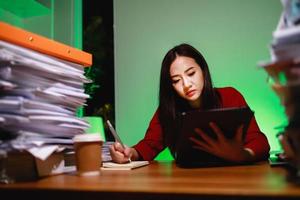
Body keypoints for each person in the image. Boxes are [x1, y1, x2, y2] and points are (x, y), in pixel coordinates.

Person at [109, 43, 270, 164]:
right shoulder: (168, 110)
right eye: (176, 80)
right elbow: (149, 145)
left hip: (234, 180)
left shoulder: (230, 96)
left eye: (191, 73)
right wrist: (130, 153)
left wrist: (243, 154)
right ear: (170, 86)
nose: (186, 84)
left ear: (203, 71)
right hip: (188, 182)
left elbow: (260, 141)